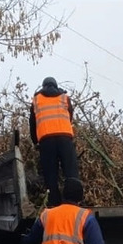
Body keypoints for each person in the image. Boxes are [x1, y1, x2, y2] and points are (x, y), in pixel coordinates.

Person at [29, 76, 80, 205]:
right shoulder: (65, 98)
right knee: (70, 172)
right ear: (56, 86)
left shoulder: (36, 100)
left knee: (51, 175)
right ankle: (72, 202)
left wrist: (36, 142)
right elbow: (70, 117)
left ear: (43, 86)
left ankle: (54, 204)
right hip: (65, 138)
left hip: (46, 141)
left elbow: (33, 124)